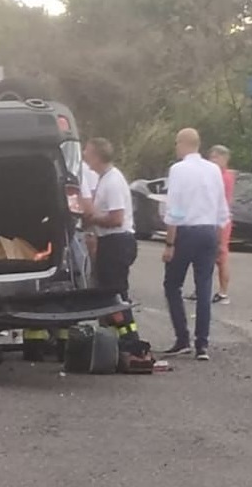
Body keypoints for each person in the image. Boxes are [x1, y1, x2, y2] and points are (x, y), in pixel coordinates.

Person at [161, 128, 230, 360]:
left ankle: (182, 338)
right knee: (204, 288)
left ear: (183, 143)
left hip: (186, 232)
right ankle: (202, 344)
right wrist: (219, 238)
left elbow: (175, 208)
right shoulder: (213, 170)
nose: (175, 148)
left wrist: (169, 243)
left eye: (176, 143)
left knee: (172, 284)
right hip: (209, 231)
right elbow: (221, 206)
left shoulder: (178, 170)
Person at [81, 138, 142, 346]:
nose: (84, 154)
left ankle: (130, 341)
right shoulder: (104, 179)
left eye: (87, 151)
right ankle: (116, 340)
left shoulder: (113, 181)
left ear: (97, 155)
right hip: (109, 242)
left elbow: (117, 218)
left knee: (115, 295)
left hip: (117, 242)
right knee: (109, 294)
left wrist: (92, 219)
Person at [209, 144, 235, 304]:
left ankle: (223, 293)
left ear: (224, 158)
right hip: (215, 219)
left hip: (220, 221)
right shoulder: (218, 175)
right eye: (211, 157)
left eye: (216, 157)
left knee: (221, 256)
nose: (212, 160)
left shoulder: (224, 177)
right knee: (207, 256)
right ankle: (202, 289)